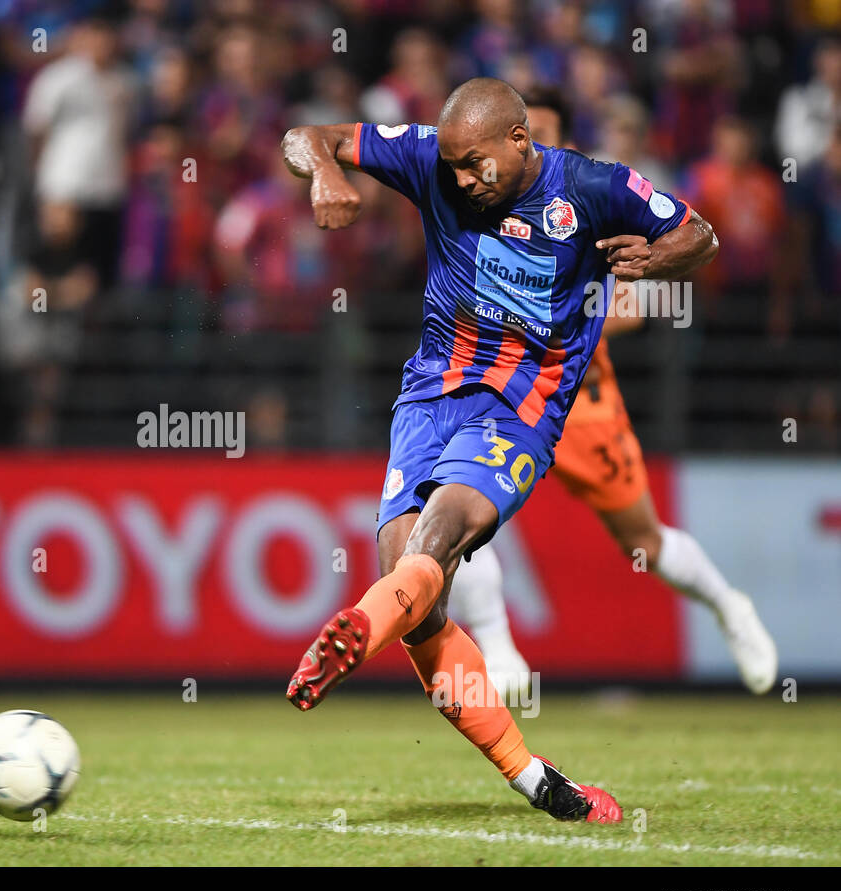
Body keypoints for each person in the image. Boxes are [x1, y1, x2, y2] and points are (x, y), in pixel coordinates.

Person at [280, 78, 719, 823]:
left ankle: (355, 627)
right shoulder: (426, 158)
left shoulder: (592, 185)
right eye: (451, 166)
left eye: (474, 165)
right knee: (417, 610)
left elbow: (699, 235)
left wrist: (653, 260)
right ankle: (536, 780)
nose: (459, 181)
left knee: (437, 538)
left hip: (520, 410)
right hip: (427, 399)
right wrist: (324, 171)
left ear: (520, 140)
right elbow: (308, 135)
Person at [451, 89, 778, 699]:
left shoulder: (591, 195)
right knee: (459, 516)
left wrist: (579, 300)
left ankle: (730, 605)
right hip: (497, 391)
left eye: (537, 134)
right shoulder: (478, 193)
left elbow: (648, 293)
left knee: (643, 541)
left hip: (581, 402)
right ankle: (498, 647)